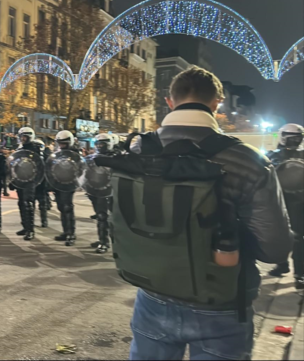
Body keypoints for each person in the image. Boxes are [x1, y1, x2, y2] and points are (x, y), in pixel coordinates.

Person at [111, 67, 291, 360]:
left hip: (151, 295)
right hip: (221, 304)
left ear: (169, 102)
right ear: (217, 103)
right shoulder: (248, 160)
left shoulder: (137, 150)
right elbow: (276, 247)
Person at [266, 123, 303, 289]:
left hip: (289, 201)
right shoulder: (273, 155)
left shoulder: (273, 155)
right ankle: (291, 270)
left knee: (292, 237)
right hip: (289, 201)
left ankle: (295, 271)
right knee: (290, 236)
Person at [51, 130, 81, 246]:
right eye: (60, 143)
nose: (62, 145)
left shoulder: (75, 154)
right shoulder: (58, 153)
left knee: (67, 207)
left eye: (64, 143)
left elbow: (79, 169)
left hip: (69, 183)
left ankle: (71, 233)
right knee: (61, 207)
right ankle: (65, 231)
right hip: (58, 183)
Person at [86, 133, 114, 254]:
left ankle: (104, 242)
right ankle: (102, 239)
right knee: (99, 215)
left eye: (102, 144)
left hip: (108, 190)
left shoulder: (115, 157)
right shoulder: (93, 157)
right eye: (98, 144)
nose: (100, 146)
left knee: (103, 216)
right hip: (95, 189)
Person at [14, 127, 41, 241]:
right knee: (21, 203)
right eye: (22, 137)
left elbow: (39, 165)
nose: (23, 139)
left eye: (25, 137)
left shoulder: (35, 149)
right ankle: (25, 227)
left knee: (28, 204)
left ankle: (30, 230)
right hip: (21, 179)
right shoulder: (20, 149)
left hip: (30, 179)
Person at [33, 139, 52, 228]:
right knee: (33, 204)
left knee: (42, 204)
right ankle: (34, 221)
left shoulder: (46, 156)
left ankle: (44, 221)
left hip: (41, 182)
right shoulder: (31, 156)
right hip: (34, 182)